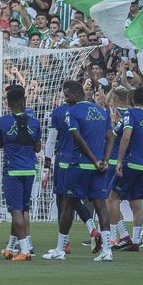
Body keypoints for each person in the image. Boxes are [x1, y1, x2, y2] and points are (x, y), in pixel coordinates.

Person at [43, 80, 113, 261]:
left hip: (78, 165)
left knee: (68, 205)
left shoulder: (71, 112)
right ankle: (107, 251)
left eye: (67, 96)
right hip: (99, 168)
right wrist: (103, 161)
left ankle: (60, 248)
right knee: (101, 206)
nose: (66, 99)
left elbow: (78, 139)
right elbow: (110, 137)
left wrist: (94, 160)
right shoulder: (102, 111)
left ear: (75, 94)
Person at [0, 84, 41, 261]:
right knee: (22, 209)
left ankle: (25, 250)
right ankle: (10, 247)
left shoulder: (2, 122)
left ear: (8, 103)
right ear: (24, 101)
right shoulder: (35, 122)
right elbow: (37, 147)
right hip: (30, 170)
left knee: (16, 211)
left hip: (12, 171)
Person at [109, 85, 143, 249]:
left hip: (132, 163)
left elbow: (124, 136)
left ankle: (117, 237)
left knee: (112, 198)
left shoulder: (130, 114)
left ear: (131, 100)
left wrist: (119, 160)